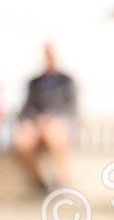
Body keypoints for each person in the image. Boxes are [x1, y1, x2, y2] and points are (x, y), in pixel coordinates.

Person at [14, 43, 77, 191]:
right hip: (37, 124)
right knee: (22, 143)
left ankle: (61, 179)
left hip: (58, 124)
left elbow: (71, 107)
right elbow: (27, 107)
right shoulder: (34, 82)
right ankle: (39, 182)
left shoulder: (66, 81)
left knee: (52, 134)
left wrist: (52, 118)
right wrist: (34, 121)